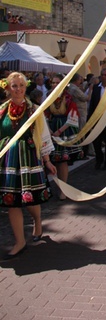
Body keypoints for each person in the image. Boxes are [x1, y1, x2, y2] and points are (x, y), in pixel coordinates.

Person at [0, 72, 56, 259]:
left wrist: (47, 160)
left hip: (28, 159)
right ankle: (20, 242)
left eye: (21, 85)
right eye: (14, 86)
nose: (18, 89)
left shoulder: (34, 110)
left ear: (26, 87)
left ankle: (37, 220)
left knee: (30, 198)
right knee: (12, 202)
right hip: (7, 161)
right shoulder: (2, 110)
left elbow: (43, 135)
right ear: (8, 88)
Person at [46, 73, 82, 199]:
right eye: (53, 83)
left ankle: (63, 189)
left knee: (62, 161)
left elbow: (73, 117)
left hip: (63, 129)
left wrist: (59, 131)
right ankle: (58, 187)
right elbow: (44, 114)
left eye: (57, 82)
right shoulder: (49, 97)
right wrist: (49, 129)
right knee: (54, 161)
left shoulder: (68, 98)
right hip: (52, 128)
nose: (55, 85)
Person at [68, 73, 96, 157]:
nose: (81, 81)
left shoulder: (71, 87)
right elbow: (86, 98)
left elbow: (81, 93)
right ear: (76, 80)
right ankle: (83, 152)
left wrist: (87, 86)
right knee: (83, 132)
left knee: (83, 131)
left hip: (77, 112)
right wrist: (90, 89)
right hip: (80, 112)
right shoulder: (74, 89)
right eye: (80, 79)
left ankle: (87, 150)